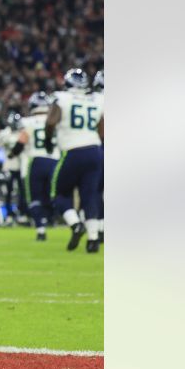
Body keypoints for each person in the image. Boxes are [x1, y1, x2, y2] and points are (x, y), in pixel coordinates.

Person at [47, 69, 104, 252]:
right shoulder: (97, 99)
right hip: (95, 150)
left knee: (59, 193)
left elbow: (50, 122)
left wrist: (49, 141)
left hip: (72, 150)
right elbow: (102, 130)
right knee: (91, 195)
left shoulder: (62, 98)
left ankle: (75, 224)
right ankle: (93, 239)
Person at [15, 92, 60, 241]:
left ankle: (40, 229)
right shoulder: (56, 120)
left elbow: (21, 142)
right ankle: (56, 220)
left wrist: (11, 154)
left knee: (34, 198)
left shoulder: (27, 122)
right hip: (55, 161)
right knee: (53, 196)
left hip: (35, 161)